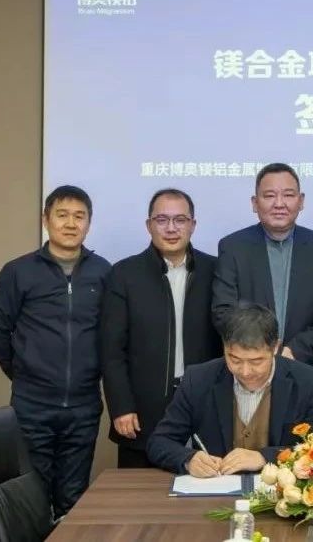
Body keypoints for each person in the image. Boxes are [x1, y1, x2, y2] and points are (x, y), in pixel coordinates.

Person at [0, 185, 111, 519]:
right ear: (46, 219)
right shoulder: (18, 271)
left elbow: (112, 336)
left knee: (73, 497)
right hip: (32, 405)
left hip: (83, 405)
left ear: (89, 223)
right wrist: (25, 372)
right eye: (62, 215)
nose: (71, 223)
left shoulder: (104, 272)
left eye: (79, 216)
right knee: (31, 497)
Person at [99, 188, 222, 468]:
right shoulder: (124, 274)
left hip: (204, 402)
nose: (171, 228)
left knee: (205, 483)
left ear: (193, 225)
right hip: (142, 407)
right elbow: (112, 350)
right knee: (141, 490)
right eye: (162, 220)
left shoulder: (215, 271)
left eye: (180, 220)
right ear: (148, 225)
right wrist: (121, 406)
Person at [212, 162, 313, 403]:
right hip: (246, 375)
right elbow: (223, 311)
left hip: (305, 373)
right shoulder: (233, 247)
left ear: (301, 201)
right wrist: (259, 350)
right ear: (255, 203)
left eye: (288, 195)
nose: (279, 203)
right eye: (269, 196)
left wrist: (295, 350)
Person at [146, 303, 313, 476]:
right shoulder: (198, 379)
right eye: (234, 359)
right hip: (216, 490)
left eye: (256, 361)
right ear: (224, 347)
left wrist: (265, 457)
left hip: (279, 492)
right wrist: (188, 459)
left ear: (275, 348)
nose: (245, 372)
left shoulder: (306, 381)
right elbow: (159, 442)